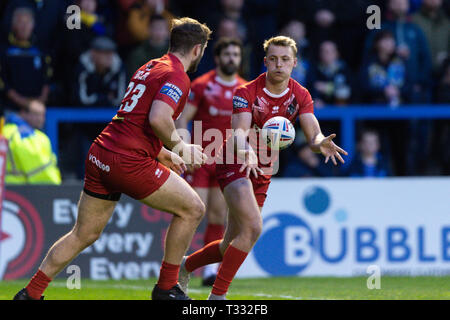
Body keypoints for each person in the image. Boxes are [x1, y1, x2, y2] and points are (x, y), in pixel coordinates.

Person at [13, 17, 212, 301]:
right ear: (197, 50)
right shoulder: (178, 75)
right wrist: (180, 146)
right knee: (192, 209)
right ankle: (167, 288)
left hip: (102, 152)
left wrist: (162, 153)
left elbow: (134, 120)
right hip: (126, 160)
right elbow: (158, 118)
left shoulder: (149, 67)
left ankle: (30, 294)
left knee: (83, 233)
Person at [178, 36, 347, 300]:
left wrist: (319, 142)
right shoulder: (246, 92)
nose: (279, 64)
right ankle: (217, 297)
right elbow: (238, 132)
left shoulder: (300, 94)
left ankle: (186, 266)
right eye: (274, 59)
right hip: (235, 161)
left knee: (230, 243)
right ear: (265, 61)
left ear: (294, 63)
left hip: (263, 168)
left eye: (285, 60)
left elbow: (313, 133)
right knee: (254, 228)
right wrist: (245, 149)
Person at [176, 37, 246, 286]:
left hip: (227, 161)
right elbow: (183, 118)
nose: (231, 59)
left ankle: (208, 272)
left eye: (235, 55)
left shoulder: (244, 89)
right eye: (227, 54)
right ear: (217, 58)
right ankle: (175, 266)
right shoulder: (202, 85)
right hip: (201, 160)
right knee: (195, 212)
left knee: (218, 216)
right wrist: (183, 146)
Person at [0, 7, 51, 112]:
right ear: (13, 25)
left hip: (38, 110)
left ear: (33, 25)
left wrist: (39, 103)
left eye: (27, 22)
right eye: (20, 22)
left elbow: (47, 80)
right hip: (11, 110)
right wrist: (26, 104)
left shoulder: (41, 51)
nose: (24, 26)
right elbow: (4, 84)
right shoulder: (4, 52)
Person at [3, 100, 61, 184]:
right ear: (23, 113)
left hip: (5, 188)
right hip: (21, 188)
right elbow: (40, 171)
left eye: (42, 115)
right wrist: (56, 184)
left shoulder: (5, 130)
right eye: (36, 114)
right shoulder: (27, 136)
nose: (40, 119)